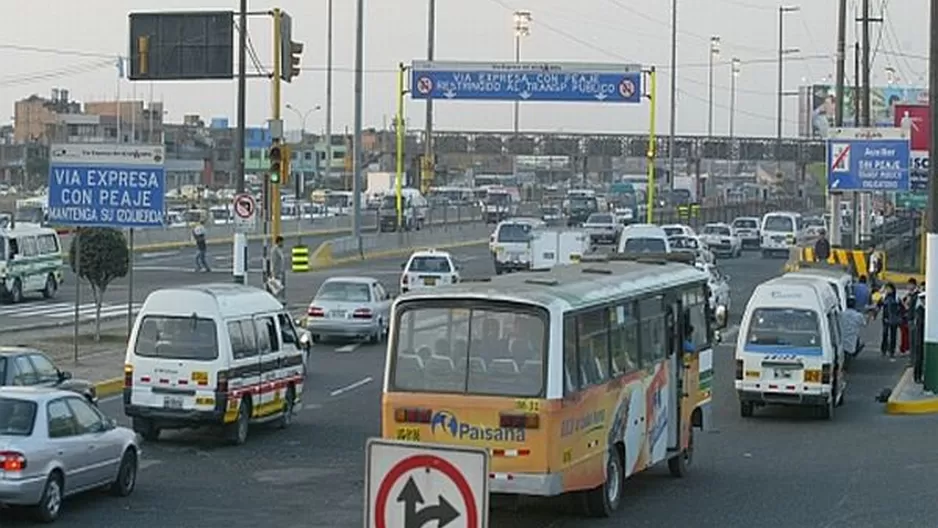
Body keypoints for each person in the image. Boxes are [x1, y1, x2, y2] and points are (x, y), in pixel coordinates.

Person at [839, 297, 866, 368]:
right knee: (858, 345)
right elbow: (864, 324)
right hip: (852, 337)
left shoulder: (841, 314)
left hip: (842, 337)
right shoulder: (858, 315)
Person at [878, 282, 902, 360]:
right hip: (886, 318)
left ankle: (892, 351)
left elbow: (901, 307)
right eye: (886, 288)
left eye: (888, 288)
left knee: (893, 335)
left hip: (894, 319)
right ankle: (884, 349)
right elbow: (879, 305)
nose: (887, 290)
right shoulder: (884, 296)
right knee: (885, 334)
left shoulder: (897, 297)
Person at [900, 278, 921, 355]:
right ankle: (905, 349)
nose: (908, 286)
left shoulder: (917, 295)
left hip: (913, 318)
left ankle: (911, 352)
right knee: (906, 335)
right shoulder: (908, 295)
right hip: (906, 318)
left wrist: (906, 305)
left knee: (912, 337)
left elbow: (912, 307)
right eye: (908, 285)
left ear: (914, 285)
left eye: (910, 285)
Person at [269, 235, 286, 303]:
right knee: (277, 287)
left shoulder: (278, 249)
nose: (283, 244)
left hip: (279, 271)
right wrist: (273, 272)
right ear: (279, 242)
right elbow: (274, 261)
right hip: (276, 272)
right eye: (282, 242)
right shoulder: (275, 250)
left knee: (279, 286)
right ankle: (278, 300)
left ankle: (280, 299)